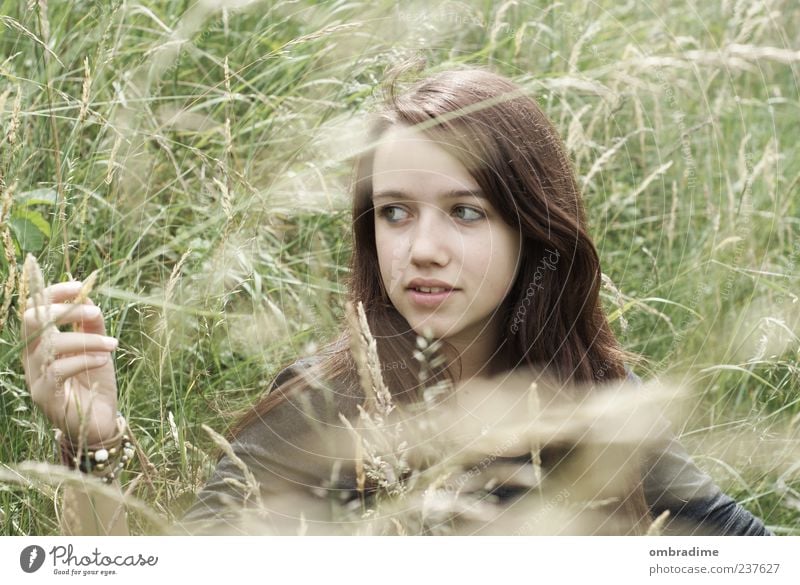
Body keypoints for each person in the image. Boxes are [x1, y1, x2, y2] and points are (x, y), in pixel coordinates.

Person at [20, 67, 770, 536]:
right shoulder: (321, 404)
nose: (422, 248)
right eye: (396, 211)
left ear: (532, 230)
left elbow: (752, 556)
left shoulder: (601, 405)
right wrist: (94, 444)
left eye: (465, 211)